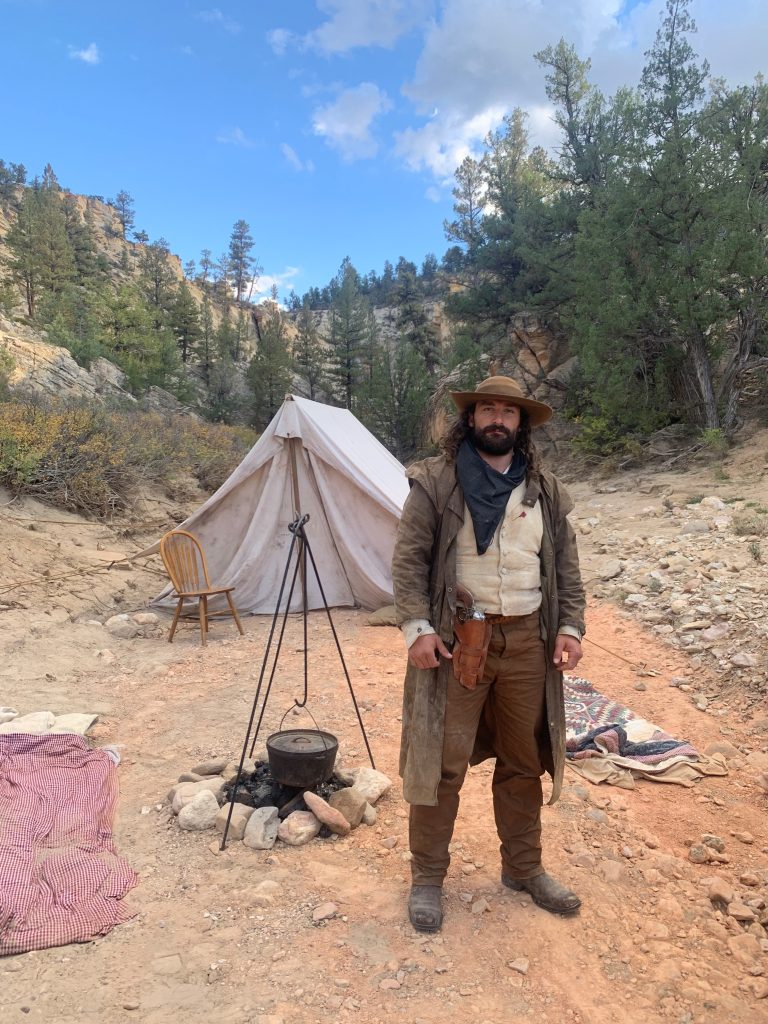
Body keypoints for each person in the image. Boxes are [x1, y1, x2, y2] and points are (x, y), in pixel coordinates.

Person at [391, 375, 586, 933]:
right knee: (441, 763)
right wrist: (417, 628)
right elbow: (409, 559)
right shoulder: (436, 481)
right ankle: (428, 877)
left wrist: (570, 626)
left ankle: (523, 869)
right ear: (471, 418)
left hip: (527, 642)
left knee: (523, 762)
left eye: (509, 411)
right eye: (488, 409)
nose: (498, 419)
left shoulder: (545, 489)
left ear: (521, 424)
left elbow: (565, 565)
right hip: (457, 642)